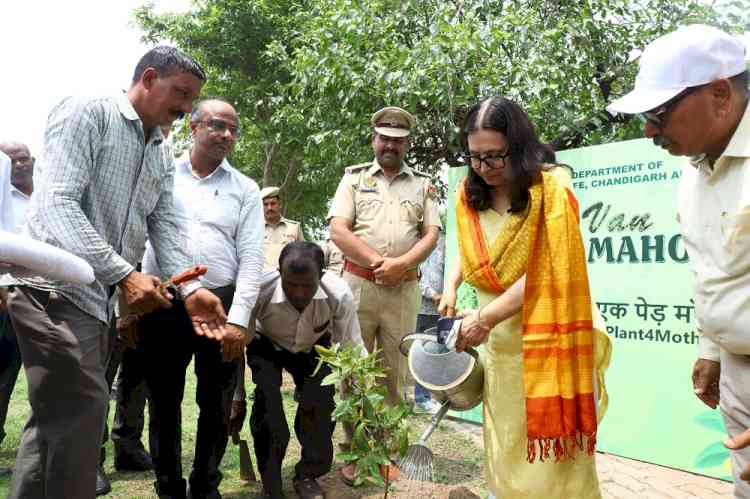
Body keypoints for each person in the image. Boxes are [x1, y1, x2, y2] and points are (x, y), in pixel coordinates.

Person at [5, 46, 229, 499]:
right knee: (82, 415)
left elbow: (164, 224)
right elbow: (56, 205)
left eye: (192, 98)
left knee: (55, 421)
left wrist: (194, 290)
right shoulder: (88, 112)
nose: (187, 107)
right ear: (148, 78)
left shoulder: (160, 150)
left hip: (94, 304)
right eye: (181, 92)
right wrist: (126, 274)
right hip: (51, 294)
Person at [438, 96, 611, 498]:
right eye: (475, 157)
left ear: (519, 146)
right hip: (499, 349)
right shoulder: (469, 193)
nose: (485, 168)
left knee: (555, 468)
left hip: (551, 343)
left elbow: (549, 269)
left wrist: (484, 318)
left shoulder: (551, 188)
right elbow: (471, 251)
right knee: (506, 457)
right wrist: (451, 286)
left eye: (495, 157)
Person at [606, 24, 750, 497]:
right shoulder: (693, 173)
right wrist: (712, 351)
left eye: (659, 113)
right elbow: (709, 270)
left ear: (719, 95)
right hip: (736, 369)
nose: (648, 130)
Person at [138, 97, 264, 499]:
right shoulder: (160, 172)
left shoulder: (245, 189)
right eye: (217, 125)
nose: (226, 134)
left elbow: (252, 258)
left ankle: (206, 484)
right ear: (192, 127)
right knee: (162, 401)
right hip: (163, 302)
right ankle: (168, 487)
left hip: (221, 308)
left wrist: (239, 320)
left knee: (216, 403)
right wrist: (129, 307)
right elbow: (141, 238)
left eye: (232, 129)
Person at [328, 106, 441, 411]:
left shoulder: (422, 184)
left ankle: (389, 451)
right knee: (352, 368)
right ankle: (355, 449)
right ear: (373, 140)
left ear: (407, 144)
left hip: (403, 291)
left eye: (398, 140)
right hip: (358, 288)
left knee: (396, 372)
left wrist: (400, 266)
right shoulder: (353, 180)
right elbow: (338, 230)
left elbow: (431, 234)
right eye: (384, 138)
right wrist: (381, 265)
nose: (390, 145)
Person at [231, 241, 363, 499]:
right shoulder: (257, 289)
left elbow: (352, 350)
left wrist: (365, 403)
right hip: (265, 343)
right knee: (268, 405)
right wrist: (237, 397)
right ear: (279, 273)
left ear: (322, 275)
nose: (300, 293)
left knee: (321, 403)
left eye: (307, 285)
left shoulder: (339, 295)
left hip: (314, 347)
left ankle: (308, 474)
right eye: (291, 284)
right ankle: (271, 483)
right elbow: (235, 346)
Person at [0, 141, 33, 473]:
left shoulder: (51, 195)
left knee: (57, 381)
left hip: (48, 299)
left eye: (22, 158)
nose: (18, 164)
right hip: (5, 302)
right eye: (10, 160)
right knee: (2, 379)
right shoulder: (0, 198)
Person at [414, 221, 445, 414]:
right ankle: (421, 398)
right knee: (422, 354)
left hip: (442, 310)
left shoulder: (444, 243)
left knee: (439, 353)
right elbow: (416, 276)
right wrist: (433, 294)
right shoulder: (415, 243)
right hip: (421, 309)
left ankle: (434, 397)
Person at [262, 186, 304, 270]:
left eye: (273, 203)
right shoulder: (254, 229)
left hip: (288, 277)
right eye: (266, 204)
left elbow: (304, 254)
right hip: (261, 279)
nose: (269, 208)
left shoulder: (294, 227)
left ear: (280, 205)